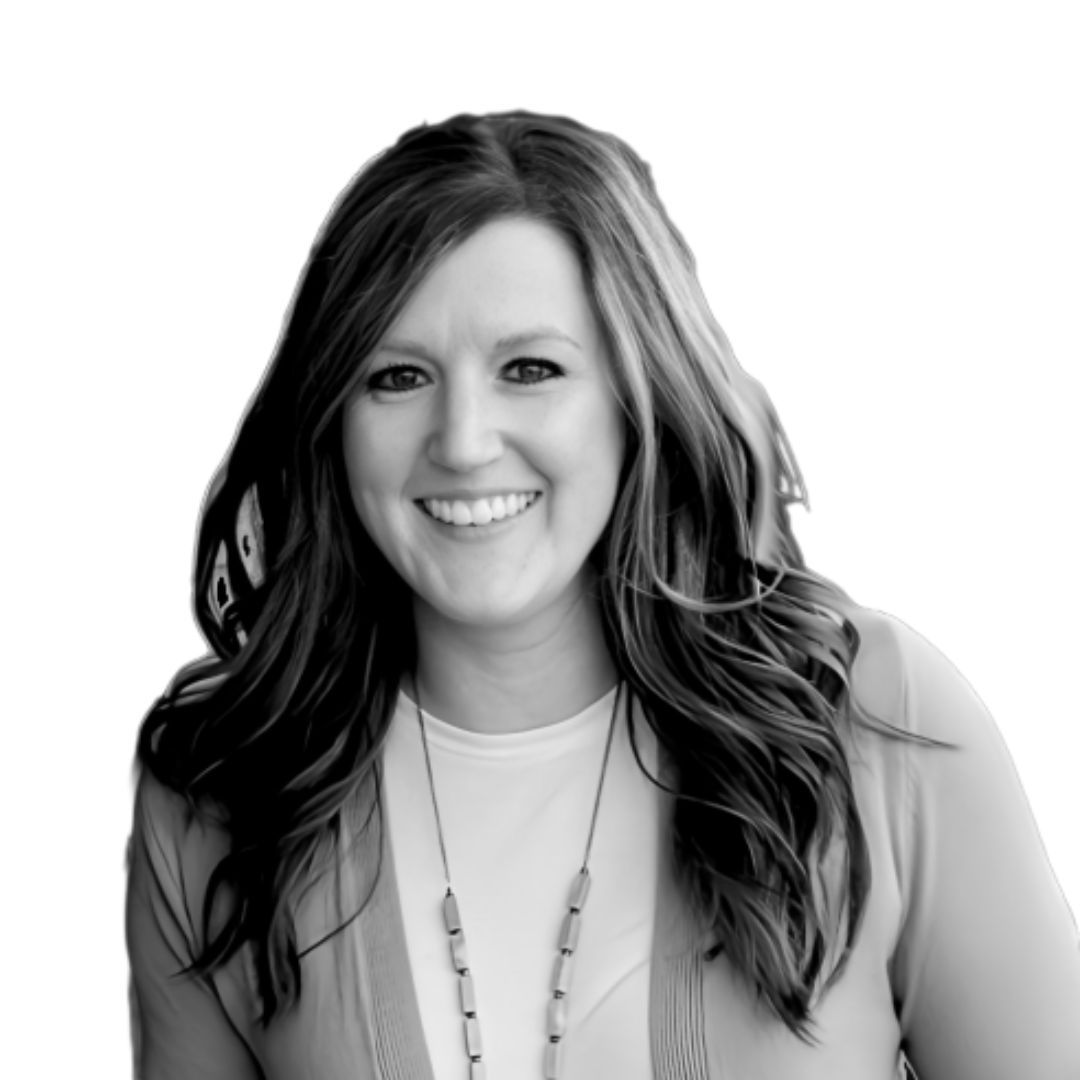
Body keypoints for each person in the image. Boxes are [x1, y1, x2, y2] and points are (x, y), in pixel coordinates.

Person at [124, 110, 1080, 1080]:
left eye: (530, 369)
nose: (461, 440)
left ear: (639, 396)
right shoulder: (219, 794)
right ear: (332, 419)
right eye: (397, 376)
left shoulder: (871, 720)